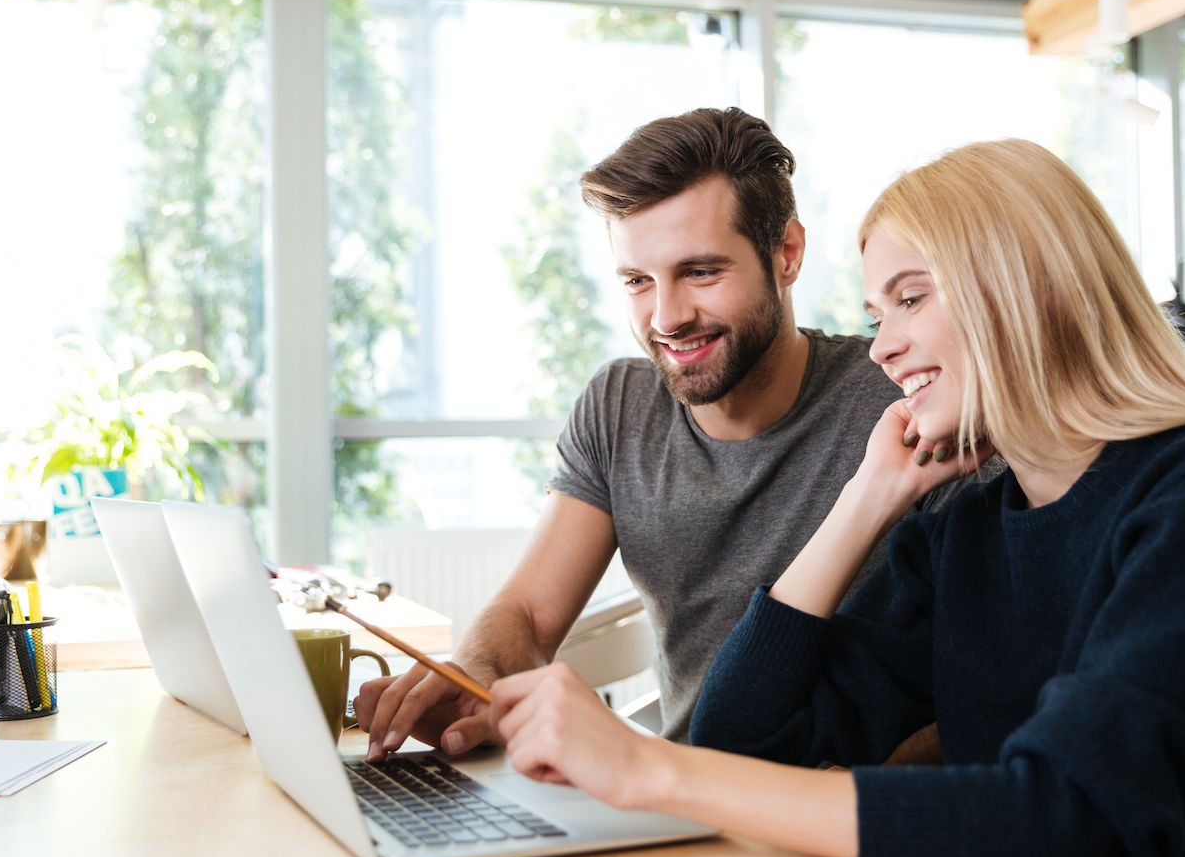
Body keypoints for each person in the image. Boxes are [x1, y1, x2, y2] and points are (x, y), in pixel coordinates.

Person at [488, 139, 1185, 857]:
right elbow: (743, 738)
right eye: (879, 315)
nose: (883, 348)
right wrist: (866, 499)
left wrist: (651, 772)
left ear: (1024, 285)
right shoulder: (969, 529)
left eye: (910, 298)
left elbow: (1072, 824)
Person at [356, 108, 959, 760]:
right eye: (639, 281)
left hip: (839, 816)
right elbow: (529, 614)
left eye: (700, 272)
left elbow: (974, 696)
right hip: (667, 797)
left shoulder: (905, 399)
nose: (666, 318)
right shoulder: (620, 405)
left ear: (786, 254)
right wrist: (475, 670)